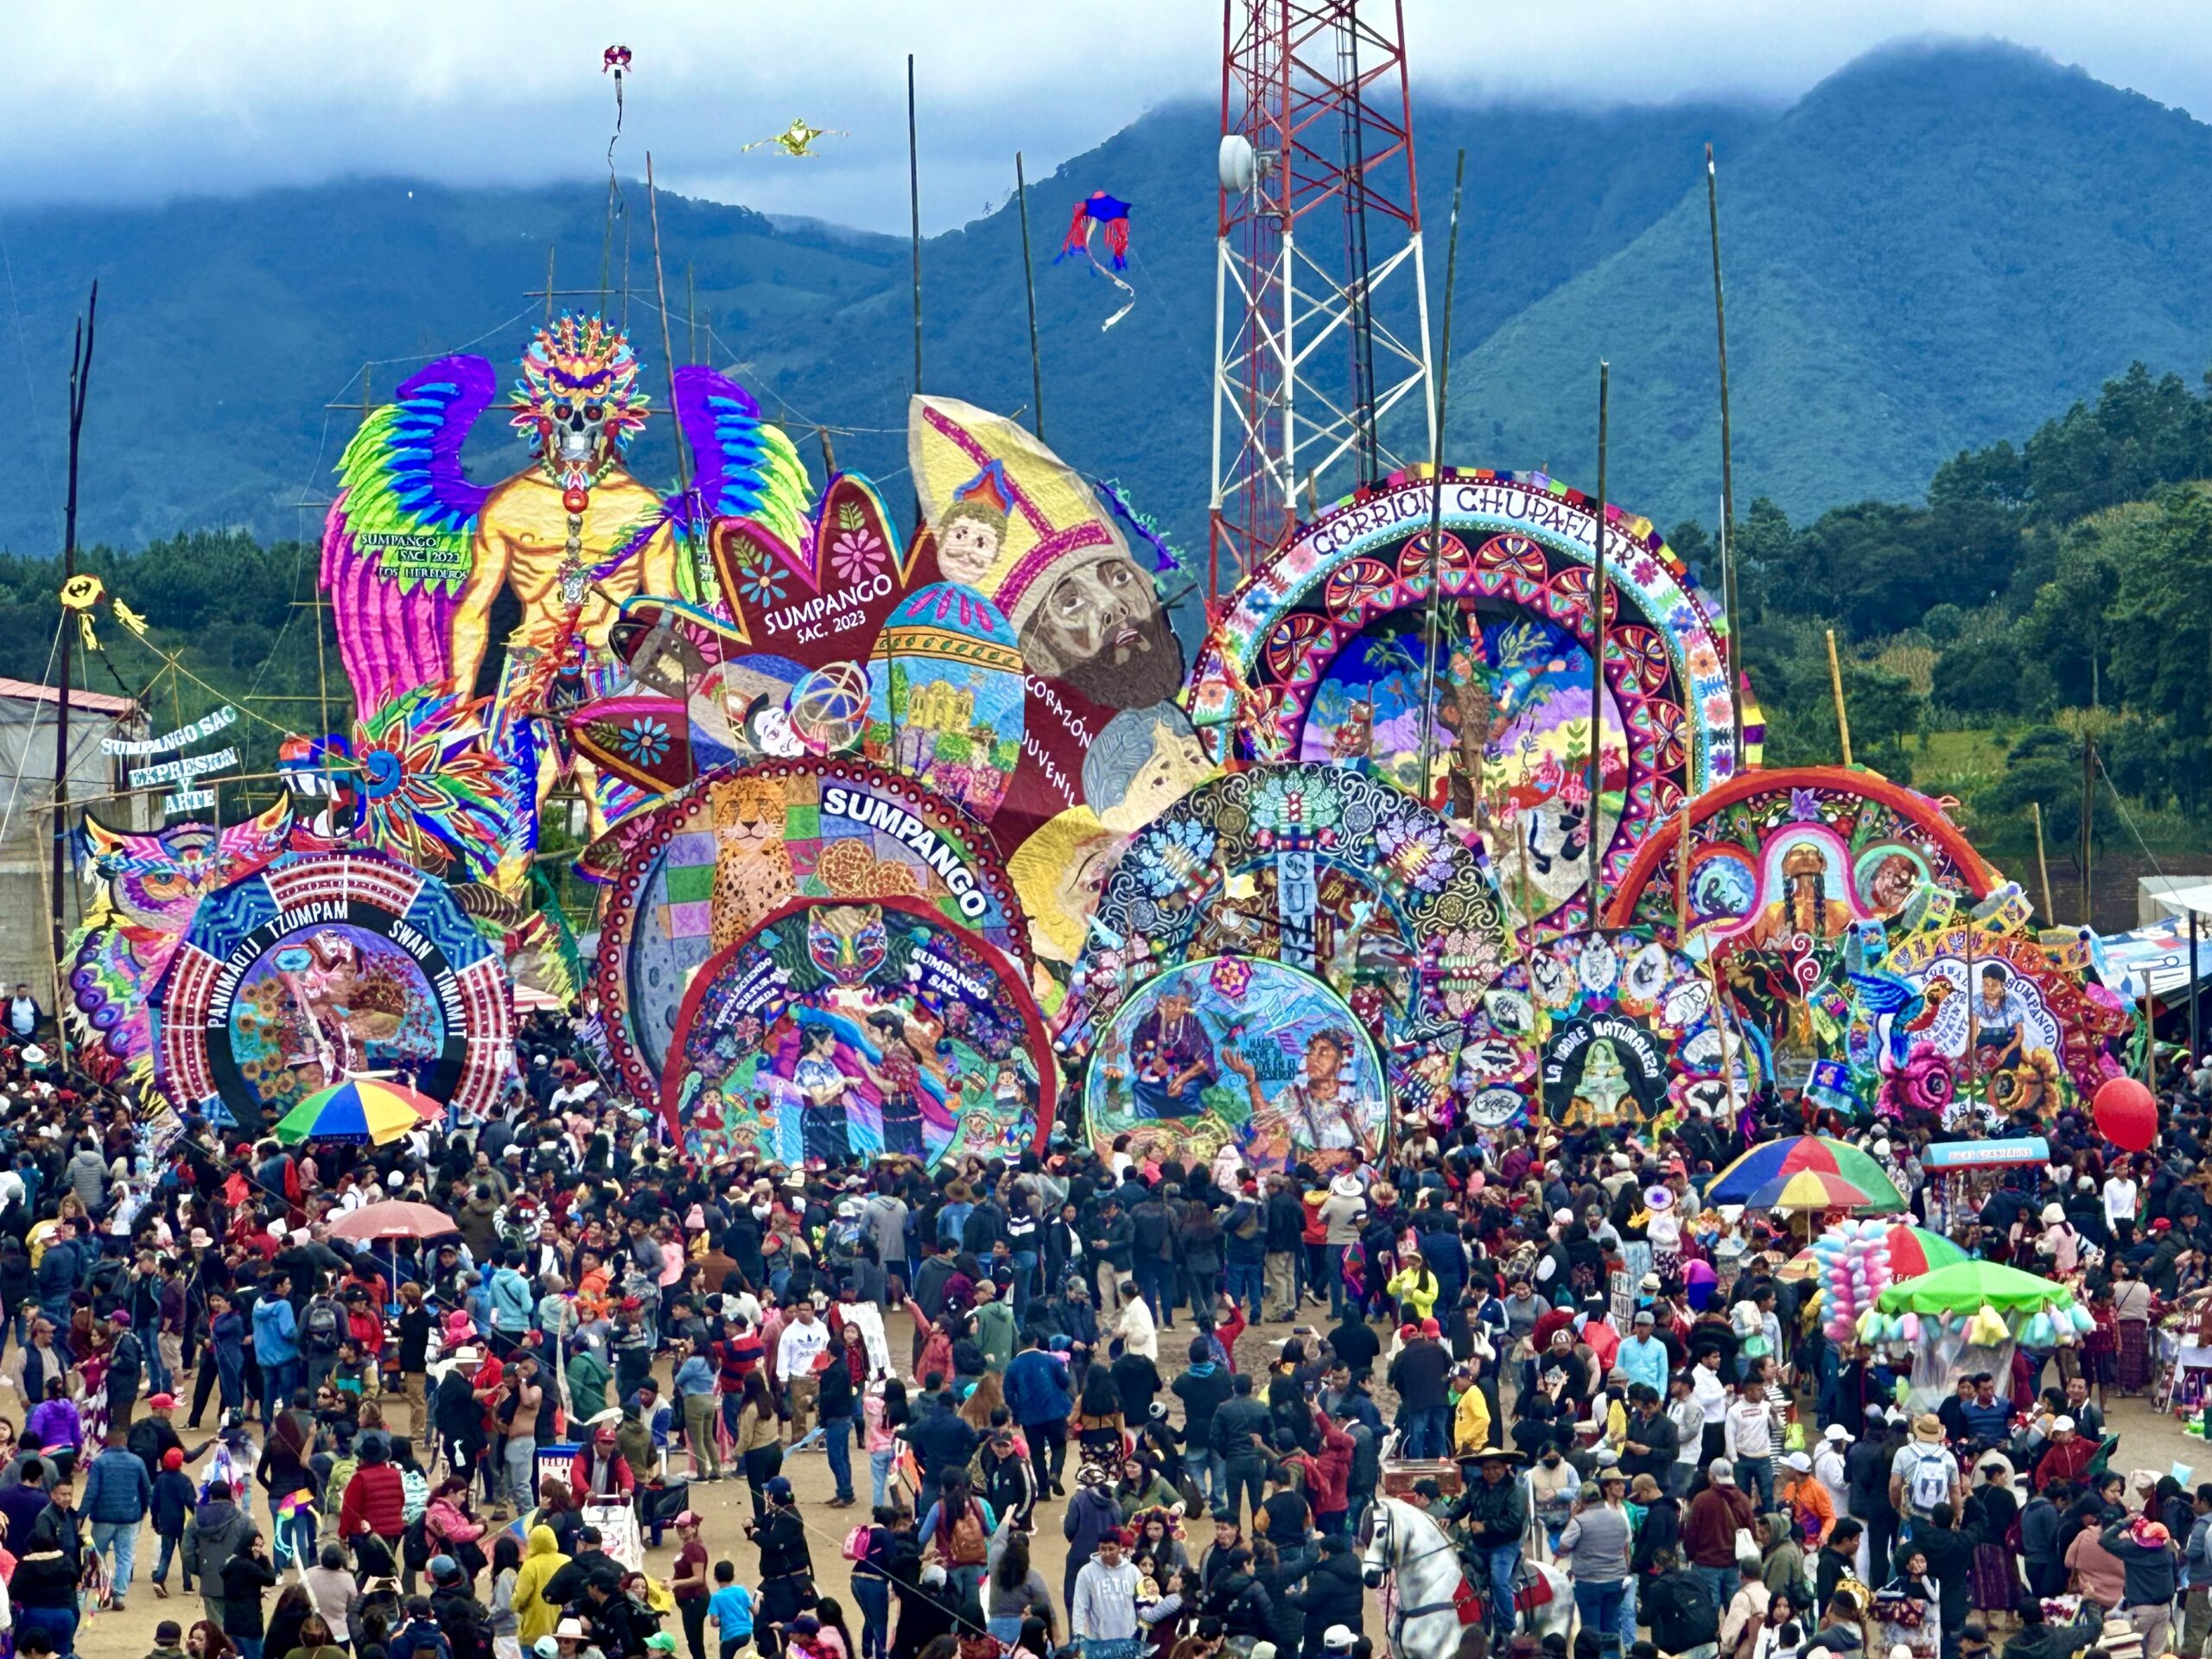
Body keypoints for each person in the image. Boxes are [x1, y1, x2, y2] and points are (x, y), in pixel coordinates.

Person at [1558, 1478, 1635, 1656]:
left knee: (1591, 1630)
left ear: (1582, 1501)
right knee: (1611, 1626)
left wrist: (1573, 1516)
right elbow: (1626, 1546)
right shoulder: (1619, 1517)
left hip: (1589, 1582)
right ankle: (1612, 1656)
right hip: (1616, 1580)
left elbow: (1563, 1546)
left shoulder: (1580, 1521)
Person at [84, 1423, 154, 1609]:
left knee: (99, 1556)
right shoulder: (137, 1461)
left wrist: (81, 1515)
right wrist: (145, 1510)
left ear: (107, 1441)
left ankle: (102, 1593)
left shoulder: (99, 1463)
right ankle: (120, 1595)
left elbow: (91, 1492)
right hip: (130, 1517)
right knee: (124, 1557)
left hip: (103, 1517)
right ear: (124, 1441)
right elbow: (147, 1489)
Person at [2099, 1514, 2179, 1656]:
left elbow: (2104, 1540)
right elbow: (2176, 1574)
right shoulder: (2166, 1549)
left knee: (2132, 1652)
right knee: (2156, 1654)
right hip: (2165, 1608)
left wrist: (2124, 1522)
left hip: (2141, 1610)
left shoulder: (2132, 1549)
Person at [1072, 1527, 1143, 1654]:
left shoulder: (1133, 1572)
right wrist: (1079, 1635)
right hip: (1099, 1642)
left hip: (1128, 1640)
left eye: (1111, 1549)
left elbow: (1143, 1604)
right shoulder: (1086, 1573)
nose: (1106, 1553)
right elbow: (1080, 1606)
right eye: (1102, 1549)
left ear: (1120, 1547)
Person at [220, 1529, 280, 1659]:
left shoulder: (232, 1562)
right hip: (249, 1625)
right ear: (248, 1546)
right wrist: (264, 1560)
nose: (259, 1549)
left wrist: (256, 1593)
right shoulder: (247, 1566)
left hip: (231, 1623)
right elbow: (271, 1579)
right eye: (256, 1545)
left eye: (261, 1545)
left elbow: (240, 1588)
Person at [708, 1562, 754, 1659]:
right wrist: (758, 1597)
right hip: (747, 1633)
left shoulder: (716, 1597)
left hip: (729, 1636)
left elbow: (714, 1623)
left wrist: (718, 1621)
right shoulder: (741, 1590)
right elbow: (754, 1610)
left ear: (715, 1577)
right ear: (733, 1576)